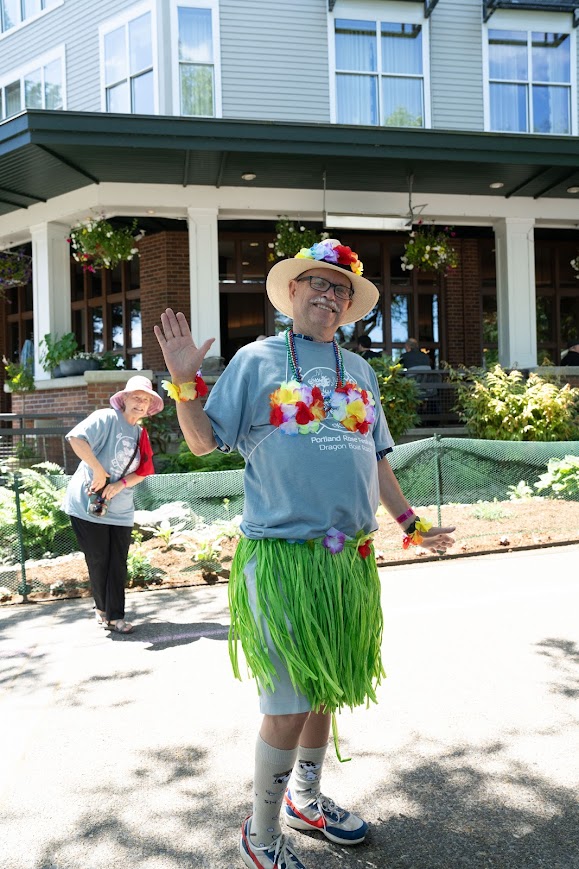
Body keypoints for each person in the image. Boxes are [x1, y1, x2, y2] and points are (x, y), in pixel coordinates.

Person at [154, 238, 455, 869]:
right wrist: (184, 379)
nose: (328, 293)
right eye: (316, 283)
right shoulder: (257, 360)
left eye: (340, 288)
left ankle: (306, 800)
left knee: (325, 692)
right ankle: (261, 836)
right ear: (291, 292)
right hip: (282, 560)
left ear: (350, 305)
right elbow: (206, 443)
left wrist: (410, 523)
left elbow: (376, 462)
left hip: (346, 563)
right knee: (288, 707)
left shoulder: (361, 372)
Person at [63, 375, 163, 634]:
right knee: (98, 559)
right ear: (125, 398)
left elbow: (144, 470)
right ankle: (103, 611)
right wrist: (97, 470)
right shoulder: (106, 418)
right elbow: (76, 438)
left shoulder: (141, 433)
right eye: (136, 397)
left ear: (150, 405)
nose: (140, 403)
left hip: (120, 509)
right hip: (88, 504)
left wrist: (120, 485)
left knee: (117, 562)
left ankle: (115, 615)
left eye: (146, 399)